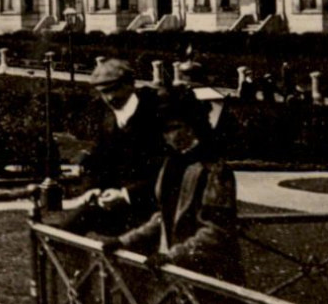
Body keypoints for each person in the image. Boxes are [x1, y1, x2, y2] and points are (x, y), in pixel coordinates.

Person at [102, 91, 244, 284]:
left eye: (174, 128)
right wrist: (124, 240)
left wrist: (173, 255)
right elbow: (163, 215)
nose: (167, 136)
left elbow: (216, 230)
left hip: (210, 272)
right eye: (164, 130)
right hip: (179, 269)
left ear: (193, 127)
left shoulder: (214, 169)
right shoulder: (171, 164)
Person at [61, 58, 168, 238]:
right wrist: (92, 188)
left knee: (132, 253)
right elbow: (98, 161)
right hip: (114, 204)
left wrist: (126, 195)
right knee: (62, 234)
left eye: (113, 90)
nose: (109, 98)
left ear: (130, 85)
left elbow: (165, 170)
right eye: (103, 92)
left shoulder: (156, 113)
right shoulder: (108, 119)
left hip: (151, 207)